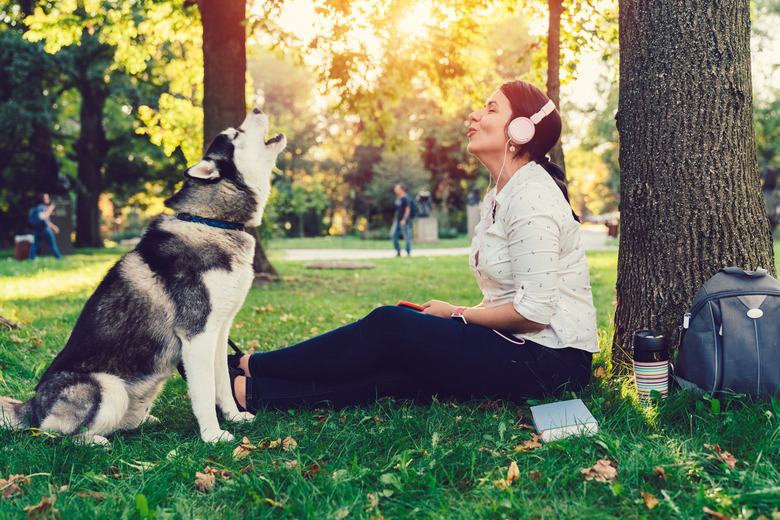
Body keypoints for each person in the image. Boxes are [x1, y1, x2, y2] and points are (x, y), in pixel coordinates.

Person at [229, 80, 599, 412]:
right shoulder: (501, 194)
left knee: (389, 324)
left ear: (520, 130)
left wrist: (457, 314)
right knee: (407, 371)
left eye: (490, 108)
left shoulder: (533, 197)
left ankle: (252, 365)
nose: (473, 114)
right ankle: (250, 392)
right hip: (520, 346)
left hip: (552, 360)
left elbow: (533, 313)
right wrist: (457, 317)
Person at [29, 192, 62, 260]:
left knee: (35, 245)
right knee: (52, 245)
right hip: (44, 229)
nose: (48, 199)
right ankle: (59, 258)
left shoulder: (35, 208)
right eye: (46, 198)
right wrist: (50, 209)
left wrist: (53, 227)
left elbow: (44, 220)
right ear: (42, 199)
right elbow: (42, 217)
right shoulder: (42, 207)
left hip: (36, 229)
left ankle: (31, 259)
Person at [390, 183, 412, 256]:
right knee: (393, 235)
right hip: (397, 220)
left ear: (402, 189)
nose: (395, 190)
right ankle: (398, 251)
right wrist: (395, 219)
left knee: (406, 236)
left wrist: (404, 219)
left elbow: (408, 209)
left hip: (404, 220)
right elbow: (397, 210)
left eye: (397, 188)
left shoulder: (405, 198)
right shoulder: (397, 198)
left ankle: (408, 252)